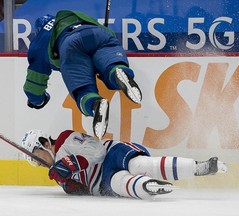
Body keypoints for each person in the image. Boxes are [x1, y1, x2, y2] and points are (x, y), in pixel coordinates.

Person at [23, 10, 142, 140]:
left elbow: (34, 84)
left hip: (71, 44)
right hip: (99, 34)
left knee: (83, 90)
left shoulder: (40, 41)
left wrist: (38, 101)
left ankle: (95, 104)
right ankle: (117, 71)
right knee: (109, 65)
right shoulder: (72, 16)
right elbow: (108, 34)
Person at [21, 129, 228, 199]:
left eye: (34, 156)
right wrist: (66, 183)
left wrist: (71, 164)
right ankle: (148, 186)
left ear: (45, 143)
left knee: (141, 164)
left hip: (112, 155)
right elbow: (82, 190)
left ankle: (199, 167)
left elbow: (97, 150)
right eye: (33, 162)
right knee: (120, 183)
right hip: (104, 182)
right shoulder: (57, 174)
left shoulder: (66, 139)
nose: (37, 163)